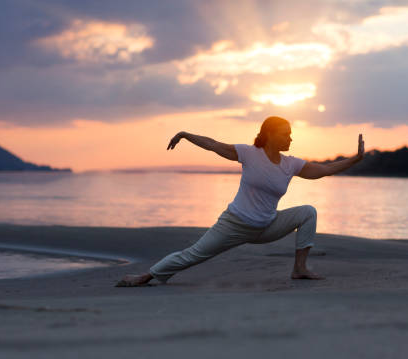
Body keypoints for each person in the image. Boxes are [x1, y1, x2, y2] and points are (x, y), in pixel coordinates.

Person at [116, 116, 365, 287]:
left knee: (307, 212)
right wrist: (184, 134)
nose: (290, 139)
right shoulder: (249, 153)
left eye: (291, 134)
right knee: (192, 255)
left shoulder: (291, 164)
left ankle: (299, 269)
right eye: (286, 134)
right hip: (234, 224)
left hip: (267, 226)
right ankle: (145, 276)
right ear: (269, 134)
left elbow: (324, 169)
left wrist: (355, 159)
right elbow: (213, 145)